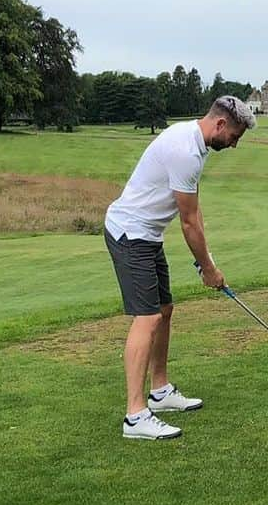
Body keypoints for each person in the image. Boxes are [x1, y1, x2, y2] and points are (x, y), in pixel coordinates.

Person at [103, 95, 257, 440]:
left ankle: (159, 392)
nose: (233, 145)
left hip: (147, 235)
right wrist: (208, 270)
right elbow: (187, 223)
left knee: (164, 309)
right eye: (234, 137)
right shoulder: (186, 151)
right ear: (220, 124)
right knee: (148, 317)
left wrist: (208, 263)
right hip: (130, 234)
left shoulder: (195, 144)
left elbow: (194, 213)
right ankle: (135, 416)